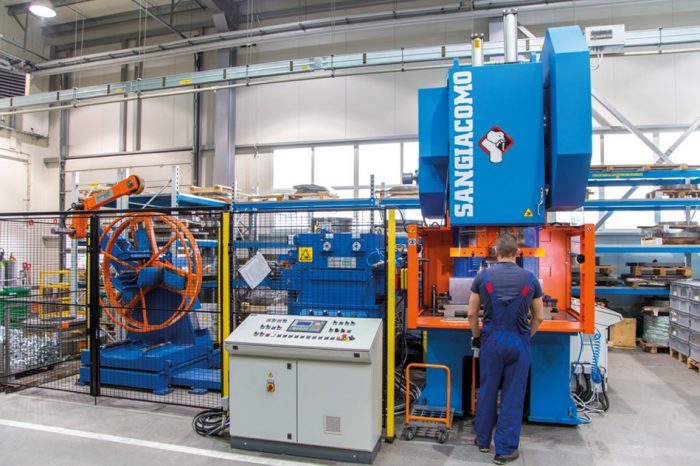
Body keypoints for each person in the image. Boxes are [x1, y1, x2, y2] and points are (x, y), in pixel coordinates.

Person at [467, 233, 544, 465]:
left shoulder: (482, 277)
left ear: (496, 252)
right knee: (512, 394)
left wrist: (477, 337)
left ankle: (482, 440)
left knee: (487, 390)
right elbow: (539, 317)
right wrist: (526, 337)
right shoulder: (531, 278)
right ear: (517, 253)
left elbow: (471, 314)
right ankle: (505, 450)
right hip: (518, 342)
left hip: (491, 341)